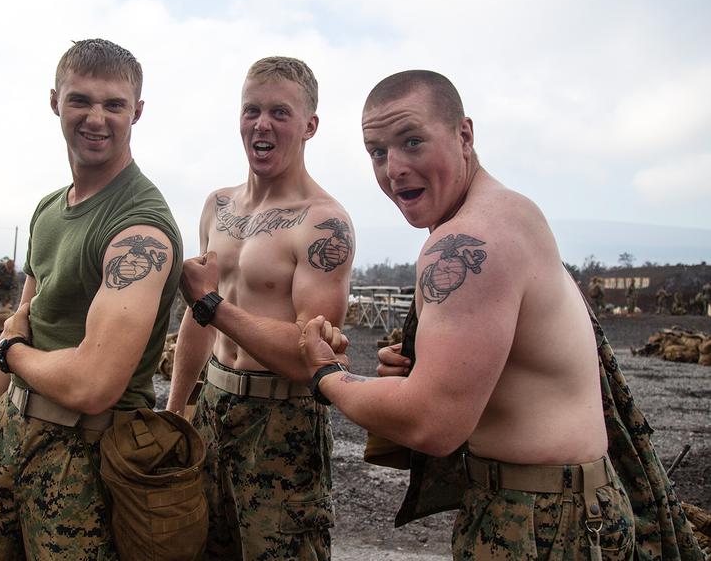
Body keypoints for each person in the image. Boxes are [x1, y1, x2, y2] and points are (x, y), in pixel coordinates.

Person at [297, 70, 698, 560]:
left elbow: (432, 424)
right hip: (557, 508)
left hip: (542, 520)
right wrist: (420, 373)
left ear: (464, 134)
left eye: (413, 141)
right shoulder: (509, 211)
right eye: (378, 152)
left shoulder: (470, 239)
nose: (394, 168)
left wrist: (327, 375)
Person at [0, 39, 182, 560]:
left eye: (114, 105)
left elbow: (93, 384)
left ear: (138, 112)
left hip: (85, 458)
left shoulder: (139, 228)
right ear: (55, 101)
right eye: (81, 100)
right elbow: (24, 319)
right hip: (8, 431)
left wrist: (12, 353)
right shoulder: (48, 210)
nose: (96, 118)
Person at [166, 56, 354, 560]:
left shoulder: (322, 224)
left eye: (280, 112)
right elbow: (195, 320)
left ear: (310, 126)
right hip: (212, 402)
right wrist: (176, 411)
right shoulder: (217, 206)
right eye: (251, 110)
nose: (262, 124)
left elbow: (309, 359)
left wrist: (210, 303)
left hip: (282, 423)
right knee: (200, 547)